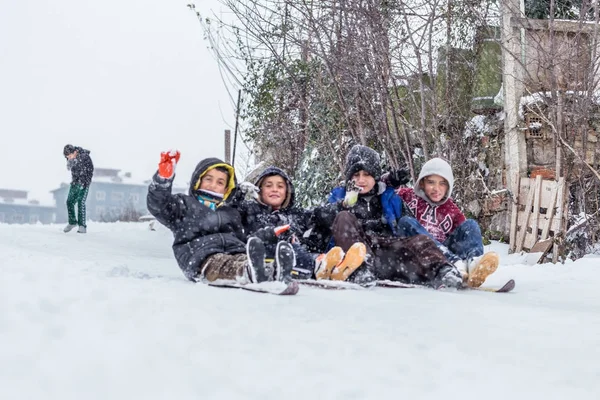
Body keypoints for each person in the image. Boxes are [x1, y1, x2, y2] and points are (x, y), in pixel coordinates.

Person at [310, 144, 463, 288]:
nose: (361, 180)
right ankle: (360, 269)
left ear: (375, 176)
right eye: (356, 175)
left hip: (388, 252)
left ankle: (442, 271)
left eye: (367, 174)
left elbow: (409, 226)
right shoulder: (339, 196)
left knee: (421, 240)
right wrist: (342, 205)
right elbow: (320, 220)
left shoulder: (389, 197)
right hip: (359, 252)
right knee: (344, 217)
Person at [146, 150, 294, 283]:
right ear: (198, 180)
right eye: (208, 179)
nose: (213, 185)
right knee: (222, 264)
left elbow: (243, 237)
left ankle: (272, 272)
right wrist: (162, 181)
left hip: (235, 251)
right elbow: (158, 205)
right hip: (201, 257)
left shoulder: (230, 211)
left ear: (226, 189)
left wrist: (267, 234)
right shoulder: (184, 205)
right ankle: (248, 273)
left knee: (244, 259)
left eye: (220, 182)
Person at [395, 157, 499, 287]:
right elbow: (383, 192)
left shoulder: (451, 209)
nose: (436, 188)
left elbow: (465, 236)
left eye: (442, 183)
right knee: (406, 222)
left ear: (448, 186)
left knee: (470, 225)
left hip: (446, 252)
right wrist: (392, 181)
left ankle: (473, 264)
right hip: (418, 256)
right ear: (421, 183)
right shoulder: (408, 196)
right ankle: (453, 263)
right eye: (431, 182)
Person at [231, 166, 316, 280]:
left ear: (287, 191)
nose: (274, 189)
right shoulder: (249, 209)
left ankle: (315, 268)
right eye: (268, 186)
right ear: (259, 190)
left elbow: (319, 214)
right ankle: (267, 268)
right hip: (259, 255)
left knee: (298, 251)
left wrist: (343, 205)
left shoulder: (296, 214)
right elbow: (229, 213)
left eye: (280, 186)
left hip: (295, 257)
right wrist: (237, 195)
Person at [63, 144, 94, 233]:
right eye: (67, 157)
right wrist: (69, 163)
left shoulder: (84, 157)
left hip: (84, 183)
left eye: (69, 156)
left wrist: (85, 182)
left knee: (81, 202)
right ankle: (72, 222)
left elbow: (90, 170)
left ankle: (82, 226)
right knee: (69, 201)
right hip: (75, 183)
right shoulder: (71, 158)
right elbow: (71, 169)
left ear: (74, 152)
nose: (68, 158)